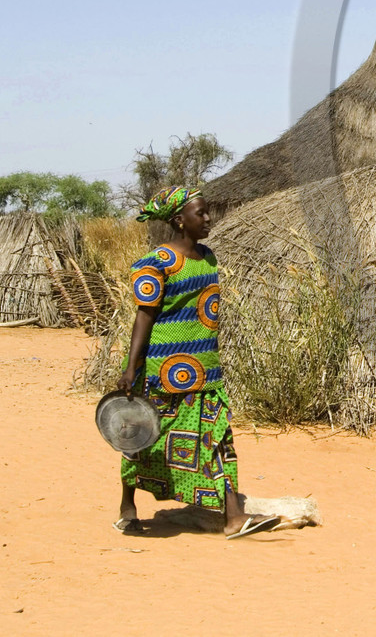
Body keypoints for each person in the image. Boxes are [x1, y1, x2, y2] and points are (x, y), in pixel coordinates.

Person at [114, 186, 278, 539]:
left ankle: (234, 517)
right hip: (165, 368)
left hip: (206, 366)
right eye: (200, 213)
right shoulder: (155, 262)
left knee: (218, 436)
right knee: (145, 439)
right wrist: (131, 369)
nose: (208, 219)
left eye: (207, 213)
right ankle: (128, 506)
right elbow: (144, 316)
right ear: (179, 220)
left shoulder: (208, 258)